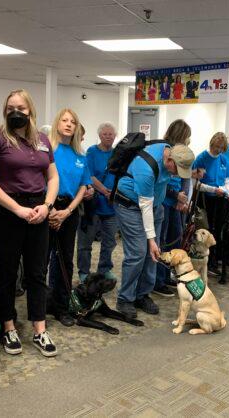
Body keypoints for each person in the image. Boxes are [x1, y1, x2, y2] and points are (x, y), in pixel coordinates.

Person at [0, 89, 59, 357]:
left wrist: (47, 206)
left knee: (37, 273)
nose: (16, 112)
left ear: (30, 111)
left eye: (21, 108)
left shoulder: (43, 140)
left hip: (38, 209)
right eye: (11, 107)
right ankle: (9, 326)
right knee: (8, 273)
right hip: (7, 210)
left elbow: (52, 177)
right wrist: (17, 209)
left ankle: (39, 329)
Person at [114, 142, 194, 319]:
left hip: (155, 207)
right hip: (130, 206)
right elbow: (145, 205)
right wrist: (151, 239)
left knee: (154, 254)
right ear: (170, 159)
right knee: (138, 253)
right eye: (177, 170)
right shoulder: (146, 168)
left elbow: (154, 201)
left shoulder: (171, 152)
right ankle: (125, 298)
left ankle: (142, 294)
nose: (177, 175)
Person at [46, 109, 91, 326]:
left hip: (69, 210)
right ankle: (39, 307)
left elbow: (83, 186)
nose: (68, 124)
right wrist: (50, 209)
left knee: (65, 261)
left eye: (73, 121)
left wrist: (68, 211)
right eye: (64, 120)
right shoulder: (48, 150)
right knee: (41, 261)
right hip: (47, 208)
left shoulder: (81, 156)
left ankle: (61, 307)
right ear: (57, 124)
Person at [77, 122, 118, 283]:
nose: (108, 136)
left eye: (111, 134)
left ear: (115, 136)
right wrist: (105, 191)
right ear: (99, 136)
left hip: (111, 206)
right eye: (105, 134)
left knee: (109, 242)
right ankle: (84, 272)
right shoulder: (91, 152)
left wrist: (113, 193)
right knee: (85, 243)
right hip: (93, 205)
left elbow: (120, 175)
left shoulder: (117, 154)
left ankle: (104, 269)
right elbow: (90, 176)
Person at [154, 119, 191, 297]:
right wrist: (176, 196)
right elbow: (162, 180)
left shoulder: (183, 152)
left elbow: (186, 177)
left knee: (175, 240)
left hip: (177, 202)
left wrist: (182, 198)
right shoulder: (166, 150)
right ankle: (157, 280)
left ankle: (166, 274)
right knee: (161, 242)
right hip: (164, 200)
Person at [193, 132, 229, 274]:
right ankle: (204, 261)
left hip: (220, 199)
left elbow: (226, 182)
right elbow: (196, 184)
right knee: (206, 230)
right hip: (205, 199)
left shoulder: (223, 159)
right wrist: (213, 189)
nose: (217, 150)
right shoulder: (201, 158)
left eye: (220, 148)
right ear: (211, 144)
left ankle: (214, 261)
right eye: (216, 147)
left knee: (218, 230)